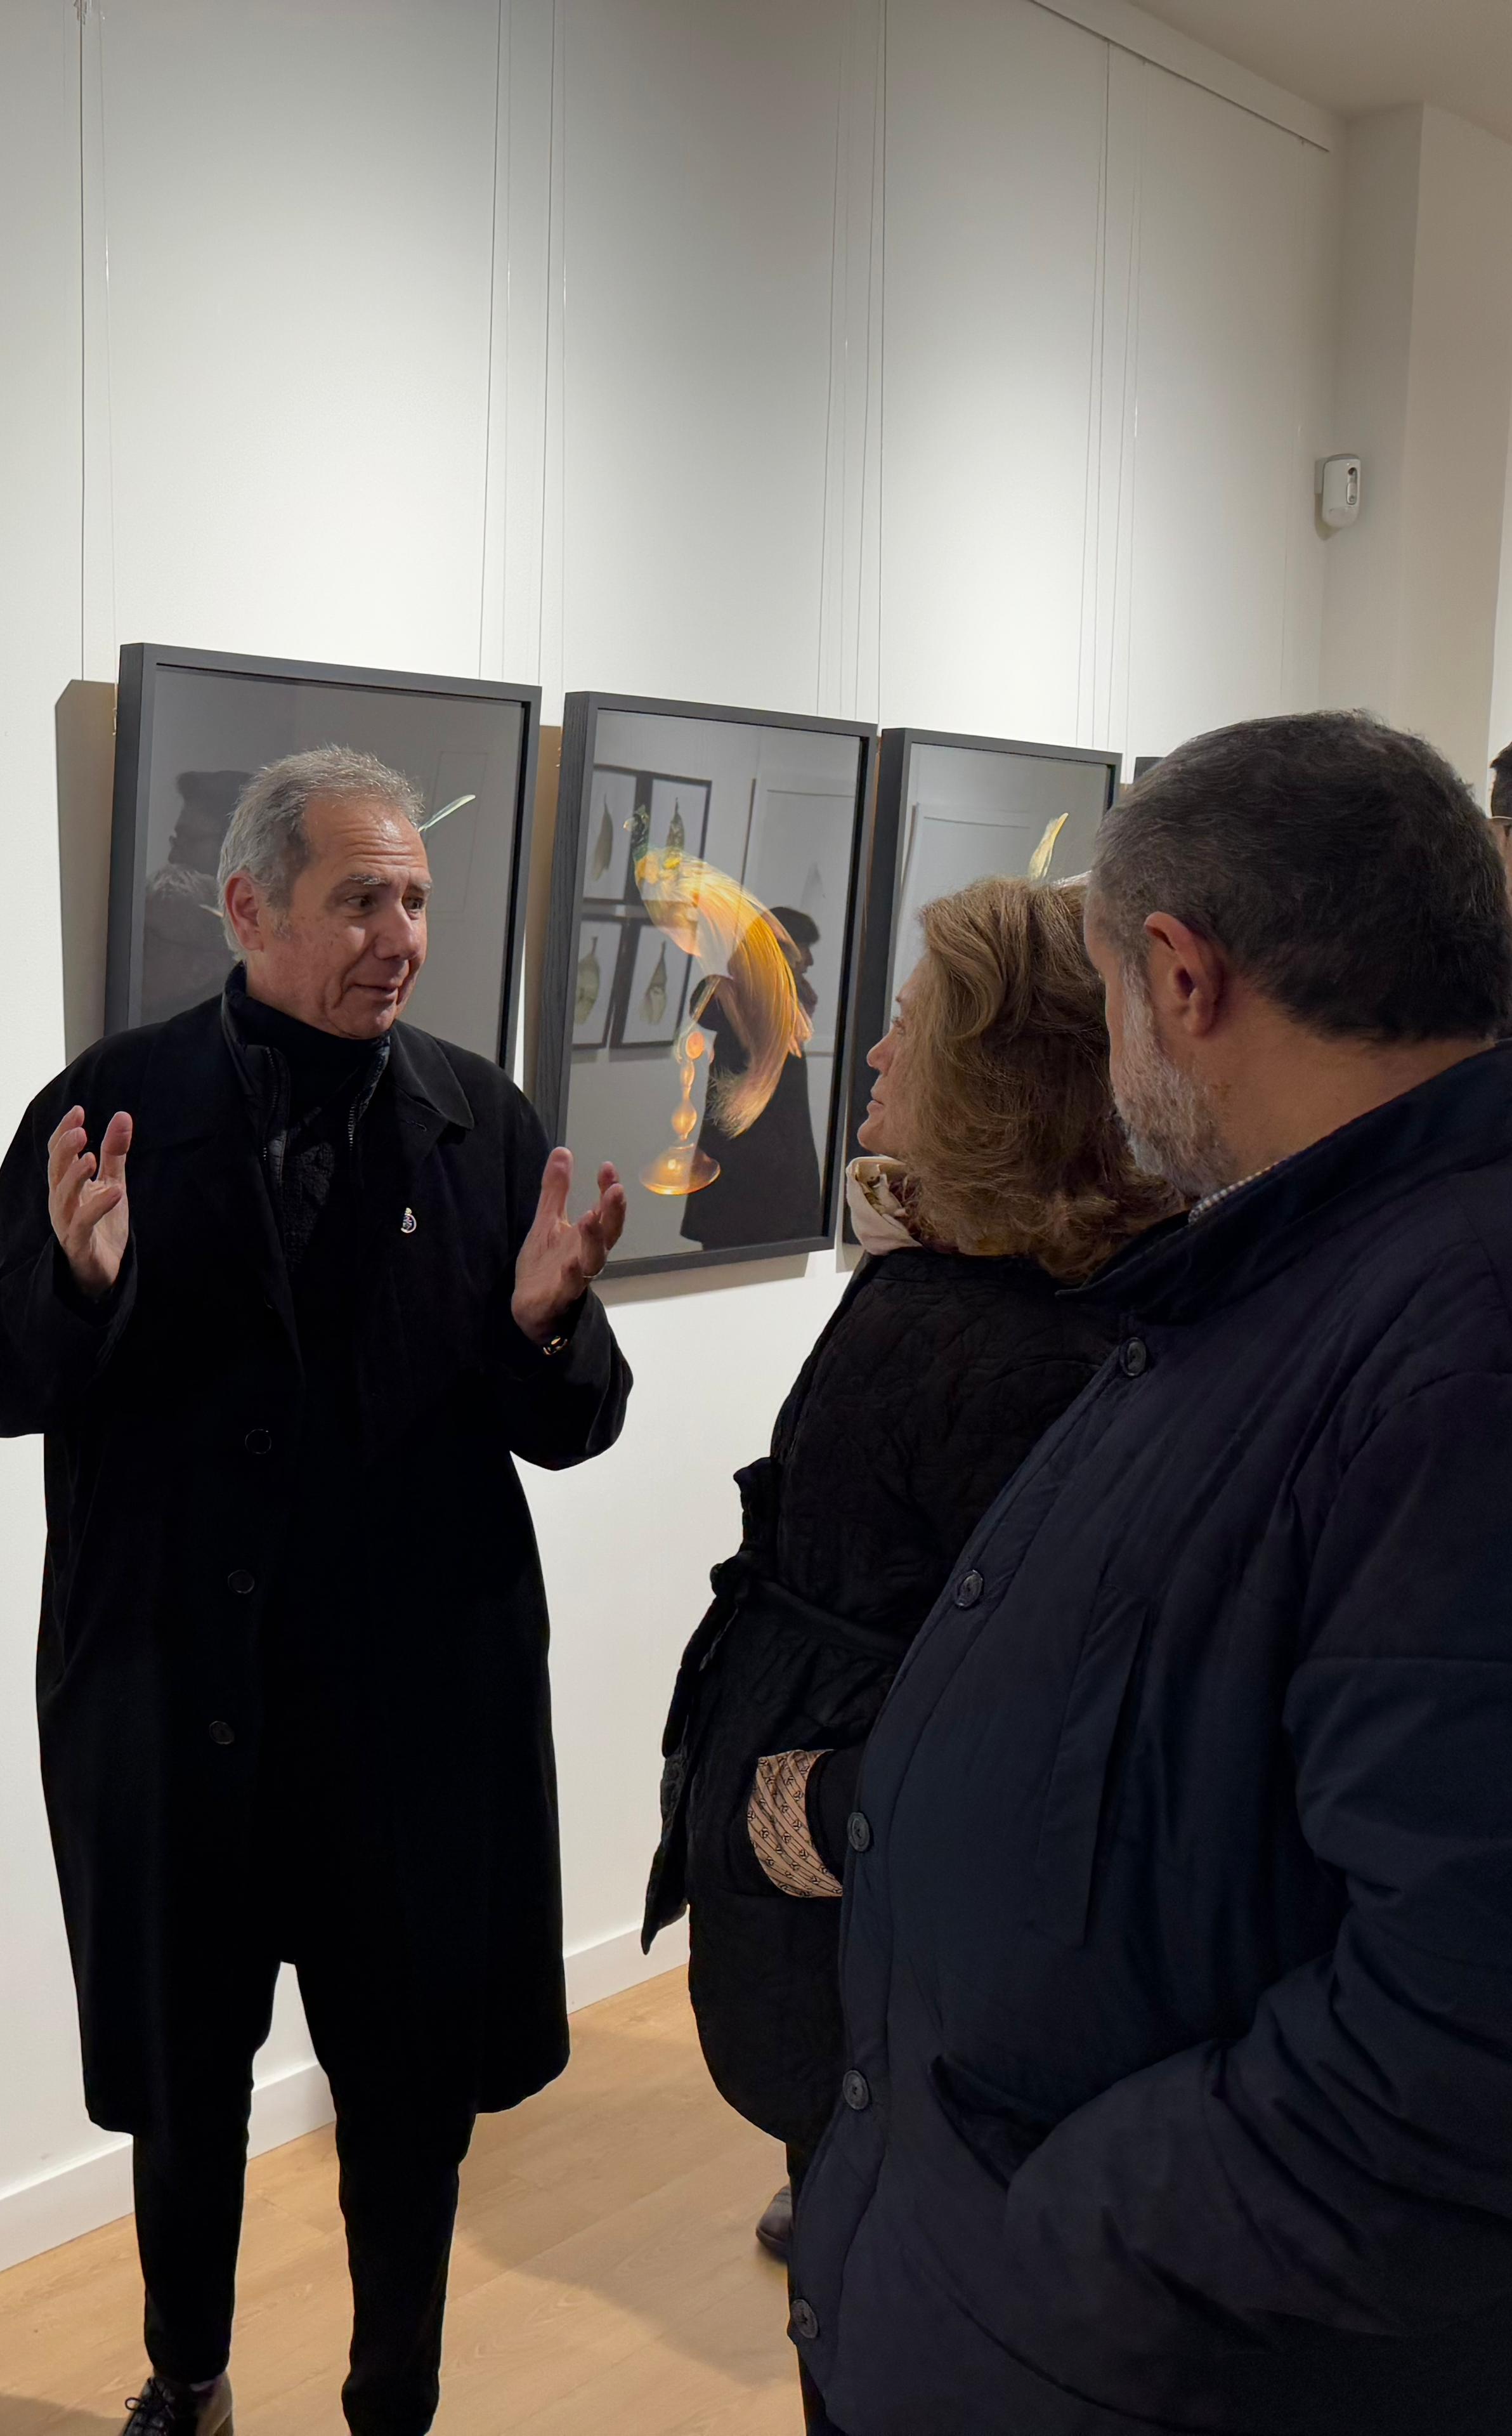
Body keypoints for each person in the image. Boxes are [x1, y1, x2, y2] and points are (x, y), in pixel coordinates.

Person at [788, 711, 1512, 2433]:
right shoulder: (1299, 1275)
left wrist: (1072, 2235)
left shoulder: (1448, 1345)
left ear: (1182, 980)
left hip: (1151, 2357)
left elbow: (1466, 2033)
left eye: (1112, 993)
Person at [0, 745, 632, 2436]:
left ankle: (393, 2398)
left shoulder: (482, 1120)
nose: (400, 937)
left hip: (409, 1727)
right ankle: (187, 2376)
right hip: (183, 1705)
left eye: (416, 899)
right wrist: (78, 1287)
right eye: (361, 899)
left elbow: (572, 1423)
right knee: (186, 2095)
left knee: (409, 2104)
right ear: (250, 908)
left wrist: (545, 1326)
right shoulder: (110, 1105)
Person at [642, 876, 1176, 2271]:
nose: (875, 1054)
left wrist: (803, 1809)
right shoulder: (968, 1282)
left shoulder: (1013, 1342)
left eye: (909, 1025)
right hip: (854, 1902)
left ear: (1002, 1080)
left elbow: (1027, 1706)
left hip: (882, 1909)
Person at [679, 905, 827, 1252]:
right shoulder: (739, 1000)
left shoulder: (785, 1009)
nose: (809, 960)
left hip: (779, 1184)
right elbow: (708, 1000)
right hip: (746, 1188)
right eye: (803, 948)